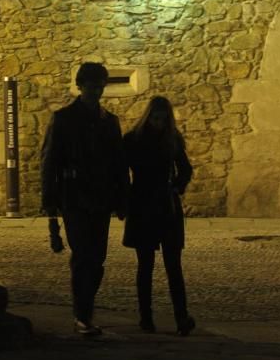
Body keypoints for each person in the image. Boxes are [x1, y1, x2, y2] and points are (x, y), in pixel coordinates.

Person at [41, 62, 128, 336]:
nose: (96, 91)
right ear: (81, 86)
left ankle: (86, 310)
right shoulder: (64, 119)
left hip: (101, 198)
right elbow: (50, 161)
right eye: (92, 86)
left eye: (100, 85)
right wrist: (50, 202)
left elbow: (118, 163)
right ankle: (83, 314)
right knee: (83, 255)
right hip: (75, 197)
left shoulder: (109, 121)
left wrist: (122, 197)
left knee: (97, 257)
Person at [123, 96, 195, 336]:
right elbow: (121, 171)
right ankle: (146, 317)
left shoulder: (171, 140)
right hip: (143, 204)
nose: (159, 123)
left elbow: (185, 168)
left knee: (173, 265)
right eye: (156, 118)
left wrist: (177, 186)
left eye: (163, 119)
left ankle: (181, 317)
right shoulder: (133, 140)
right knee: (145, 265)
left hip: (165, 205)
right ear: (149, 116)